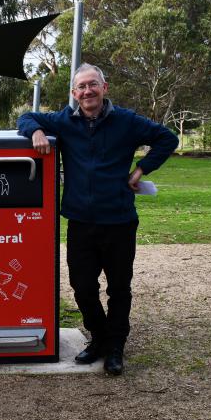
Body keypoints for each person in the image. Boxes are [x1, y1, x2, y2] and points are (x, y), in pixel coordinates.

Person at [17, 63, 178, 375]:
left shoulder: (127, 121)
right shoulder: (63, 121)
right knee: (81, 286)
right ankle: (100, 337)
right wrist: (36, 131)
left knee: (119, 288)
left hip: (119, 220)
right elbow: (26, 117)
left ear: (105, 88)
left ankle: (116, 347)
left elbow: (167, 139)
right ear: (74, 93)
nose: (87, 91)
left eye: (93, 85)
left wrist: (141, 169)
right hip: (80, 221)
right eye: (81, 87)